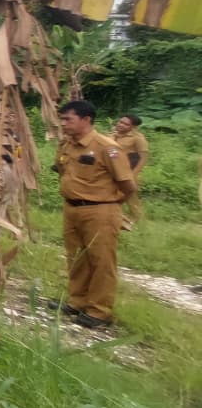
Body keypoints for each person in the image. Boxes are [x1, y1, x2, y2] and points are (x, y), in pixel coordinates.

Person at [52, 100, 135, 329]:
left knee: (102, 261)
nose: (64, 123)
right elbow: (61, 170)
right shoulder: (66, 145)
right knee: (77, 257)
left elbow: (128, 185)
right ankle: (77, 301)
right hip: (72, 208)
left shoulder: (107, 147)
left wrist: (110, 205)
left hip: (100, 210)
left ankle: (99, 311)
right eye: (62, 119)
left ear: (86, 119)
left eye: (68, 119)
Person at [112, 114, 149, 230]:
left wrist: (134, 174)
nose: (120, 125)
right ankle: (118, 221)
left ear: (133, 127)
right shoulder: (112, 134)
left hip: (129, 171)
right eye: (120, 122)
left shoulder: (137, 138)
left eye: (125, 124)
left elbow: (143, 157)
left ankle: (141, 225)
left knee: (131, 199)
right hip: (113, 170)